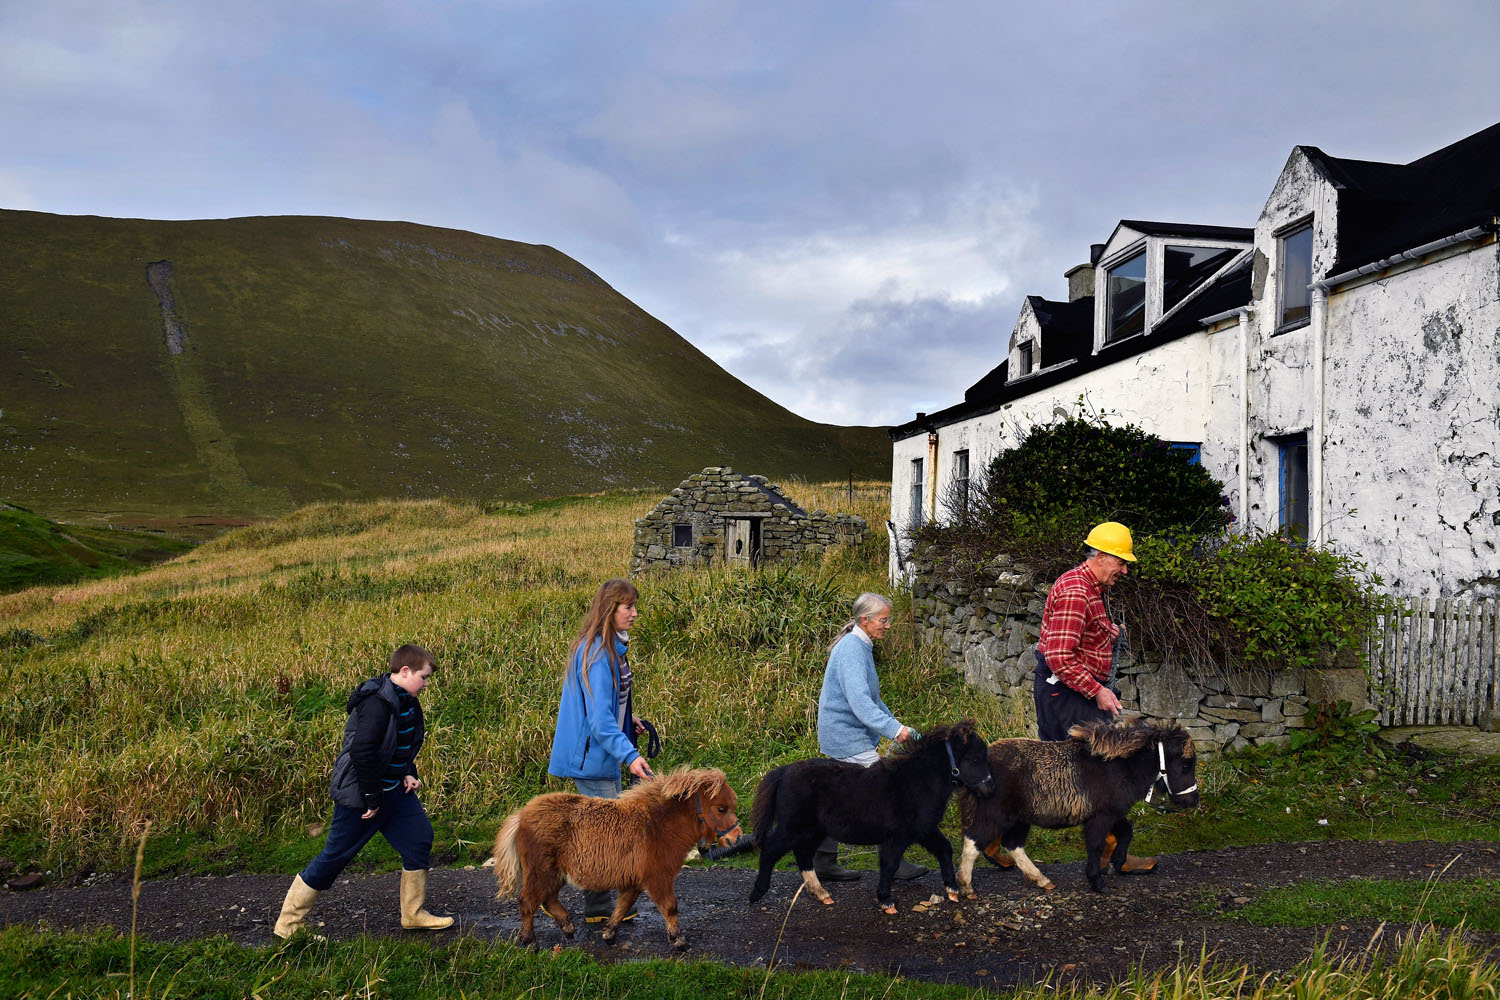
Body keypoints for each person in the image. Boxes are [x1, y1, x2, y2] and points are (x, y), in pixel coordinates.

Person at [273, 644, 453, 938]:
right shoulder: (377, 703)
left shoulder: (407, 701)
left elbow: (401, 744)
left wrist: (408, 772)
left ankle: (413, 914)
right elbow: (363, 751)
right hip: (363, 796)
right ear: (405, 672)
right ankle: (288, 925)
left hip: (394, 791)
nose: (427, 684)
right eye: (424, 677)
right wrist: (371, 796)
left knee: (419, 837)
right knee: (336, 855)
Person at [1033, 521, 1156, 873]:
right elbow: (1059, 656)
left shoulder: (1091, 587)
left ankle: (1112, 851)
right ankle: (993, 834)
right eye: (1121, 562)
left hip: (1073, 691)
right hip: (1066, 694)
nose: (1125, 570)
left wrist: (1108, 632)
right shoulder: (1076, 590)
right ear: (1101, 557)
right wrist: (1097, 690)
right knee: (1091, 774)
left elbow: (1079, 636)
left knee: (1100, 772)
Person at [547, 578, 654, 923]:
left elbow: (608, 706)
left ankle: (599, 906)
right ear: (611, 610)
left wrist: (629, 720)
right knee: (607, 834)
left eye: (635, 606)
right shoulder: (598, 653)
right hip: (592, 757)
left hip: (600, 752)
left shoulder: (610, 647)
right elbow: (599, 721)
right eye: (629, 607)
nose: (635, 613)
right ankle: (597, 907)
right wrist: (631, 756)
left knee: (600, 832)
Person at [814, 591, 928, 883]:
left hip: (845, 735)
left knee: (835, 797)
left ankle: (823, 862)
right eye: (884, 620)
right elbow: (860, 704)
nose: (888, 625)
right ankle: (893, 862)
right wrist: (896, 731)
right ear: (865, 620)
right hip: (846, 737)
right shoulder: (853, 650)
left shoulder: (860, 644)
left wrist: (896, 725)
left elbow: (872, 700)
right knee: (886, 794)